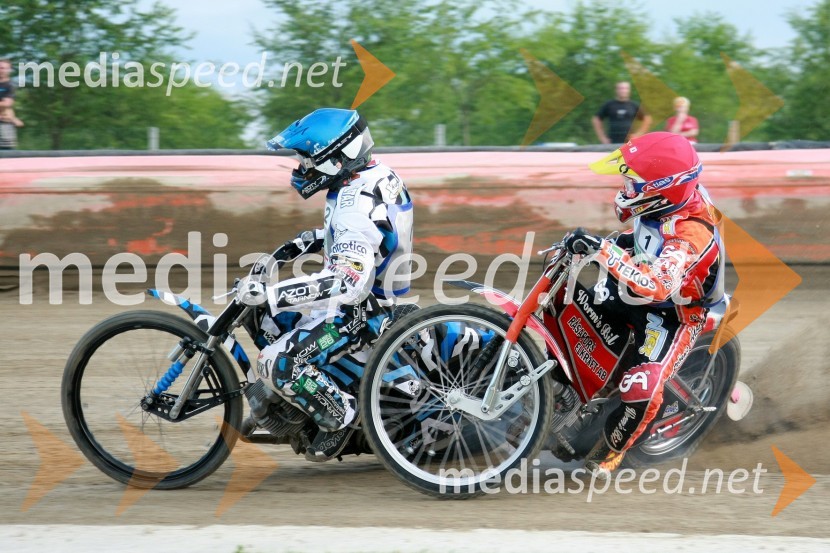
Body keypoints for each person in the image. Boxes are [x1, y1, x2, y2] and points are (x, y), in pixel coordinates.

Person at [237, 108, 414, 461]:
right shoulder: (373, 175)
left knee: (278, 362)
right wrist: (313, 240)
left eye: (307, 159)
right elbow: (373, 231)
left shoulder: (353, 203)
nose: (301, 168)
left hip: (362, 314)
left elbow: (347, 281)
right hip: (371, 299)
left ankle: (341, 419)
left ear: (338, 157)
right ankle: (297, 403)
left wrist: (275, 293)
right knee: (263, 319)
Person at [562, 131, 724, 478]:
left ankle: (612, 449)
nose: (626, 190)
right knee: (570, 308)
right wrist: (605, 245)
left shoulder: (690, 233)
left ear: (662, 190)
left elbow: (658, 286)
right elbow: (644, 242)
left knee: (642, 386)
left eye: (634, 184)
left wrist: (603, 250)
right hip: (637, 279)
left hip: (673, 314)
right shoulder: (669, 200)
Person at [0, 58, 23, 150]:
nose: (0, 70)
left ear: (9, 70)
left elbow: (7, 104)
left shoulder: (9, 85)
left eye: (3, 68)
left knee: (7, 152)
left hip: (4, 123)